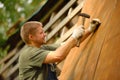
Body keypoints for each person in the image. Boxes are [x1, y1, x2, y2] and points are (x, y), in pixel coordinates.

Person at [18, 19, 100, 80]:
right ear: (31, 37)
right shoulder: (28, 54)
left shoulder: (41, 48)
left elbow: (68, 44)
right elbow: (58, 56)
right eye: (41, 33)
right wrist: (74, 36)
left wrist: (89, 29)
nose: (45, 34)